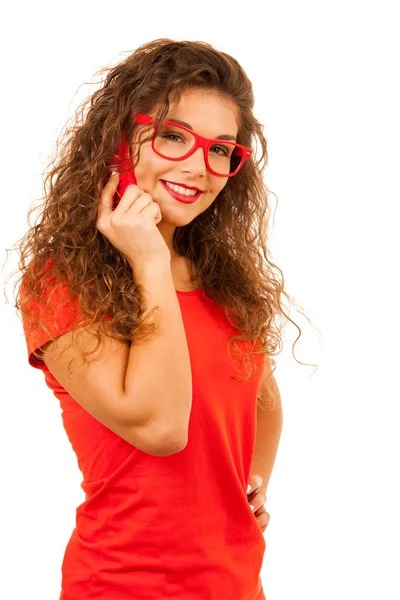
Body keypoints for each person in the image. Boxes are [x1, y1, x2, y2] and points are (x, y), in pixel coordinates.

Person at [13, 38, 306, 599]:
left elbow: (262, 397)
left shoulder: (221, 280)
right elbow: (161, 428)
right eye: (174, 137)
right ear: (119, 140)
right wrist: (148, 256)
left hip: (238, 585)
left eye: (222, 150)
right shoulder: (61, 282)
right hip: (123, 585)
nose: (200, 167)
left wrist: (251, 483)